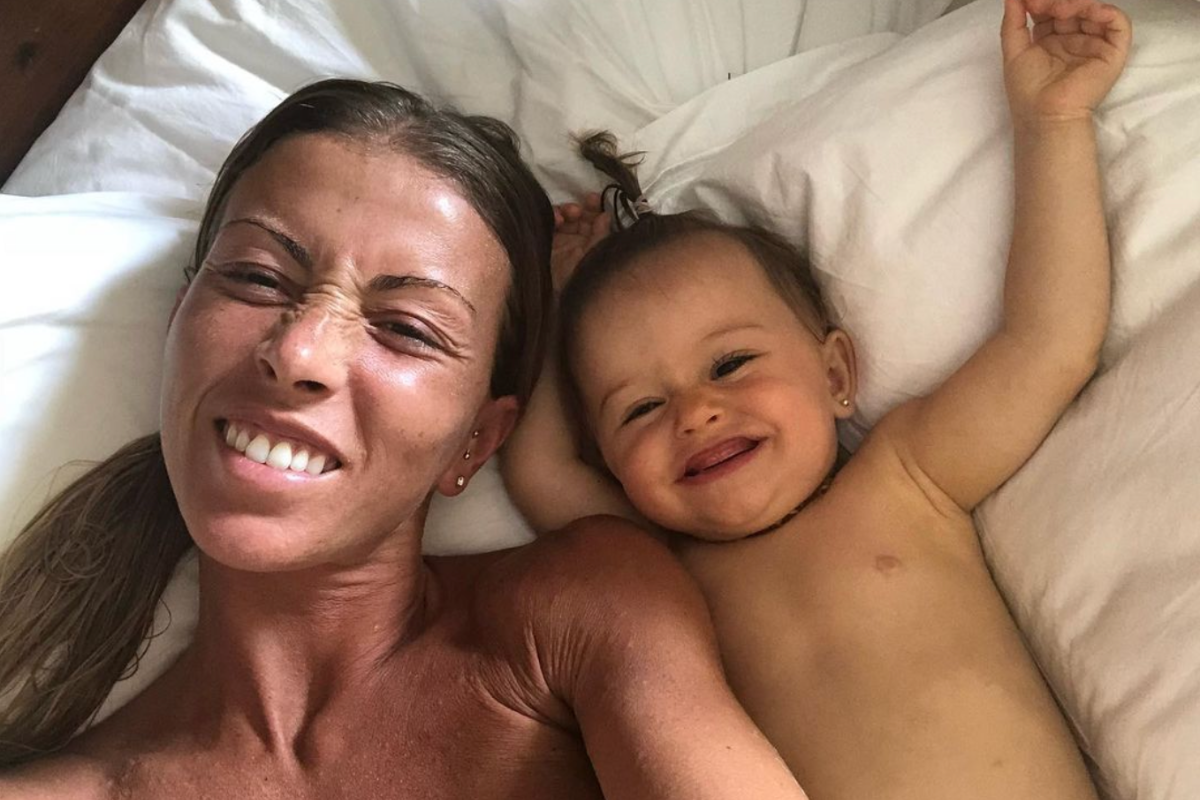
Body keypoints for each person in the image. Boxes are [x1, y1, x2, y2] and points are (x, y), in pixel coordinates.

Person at [0, 80, 806, 799]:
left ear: (477, 441)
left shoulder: (571, 619)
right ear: (179, 321)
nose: (299, 353)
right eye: (257, 278)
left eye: (408, 329)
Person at [502, 0, 1131, 797]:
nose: (694, 414)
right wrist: (554, 302)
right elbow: (539, 472)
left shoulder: (908, 479)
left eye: (730, 363)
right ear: (608, 460)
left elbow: (1049, 342)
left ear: (836, 375)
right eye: (639, 410)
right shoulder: (659, 568)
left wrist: (1054, 122)